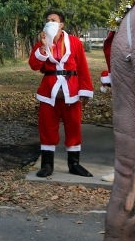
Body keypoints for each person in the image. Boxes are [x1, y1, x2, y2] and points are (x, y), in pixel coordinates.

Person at [28, 9, 95, 178]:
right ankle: (47, 164)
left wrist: (85, 91)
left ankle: (74, 164)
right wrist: (43, 47)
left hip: (71, 90)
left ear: (61, 24)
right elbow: (34, 65)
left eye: (53, 20)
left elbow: (83, 68)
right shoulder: (42, 43)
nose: (49, 22)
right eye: (47, 20)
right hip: (49, 92)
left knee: (74, 126)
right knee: (47, 126)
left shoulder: (74, 42)